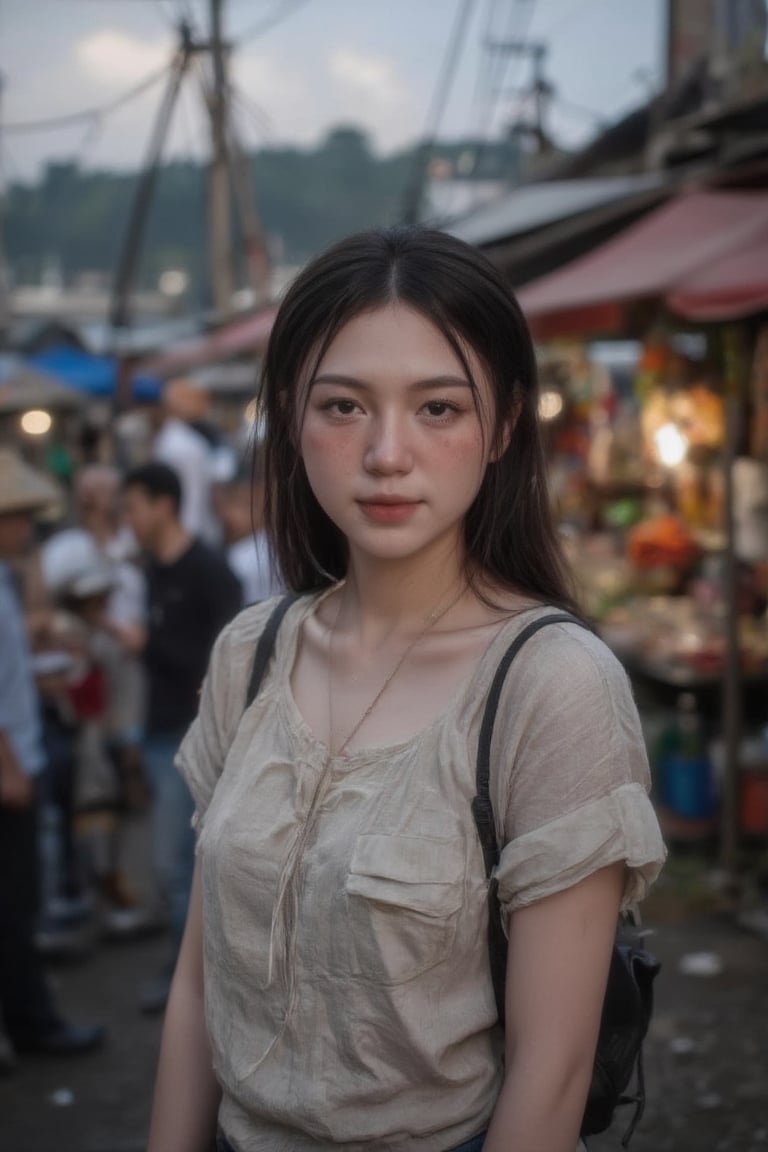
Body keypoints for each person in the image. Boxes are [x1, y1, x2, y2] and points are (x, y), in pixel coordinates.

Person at [148, 228, 666, 1152]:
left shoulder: (550, 686)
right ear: (287, 417)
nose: (387, 453)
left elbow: (550, 1082)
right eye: (344, 406)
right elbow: (199, 984)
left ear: (504, 424)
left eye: (438, 408)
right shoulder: (249, 655)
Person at [122, 462, 242, 1013]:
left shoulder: (210, 570)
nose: (130, 518)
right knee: (173, 863)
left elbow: (219, 665)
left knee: (182, 864)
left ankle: (187, 984)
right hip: (157, 727)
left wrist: (139, 641)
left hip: (191, 734)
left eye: (134, 506)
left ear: (163, 505)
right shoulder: (149, 569)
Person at [0, 449, 106, 1072]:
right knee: (14, 905)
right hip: (12, 765)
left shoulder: (10, 577)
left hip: (21, 751)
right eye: (18, 516)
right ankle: (33, 1022)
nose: (27, 527)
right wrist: (9, 763)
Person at [213, 445, 283, 605]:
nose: (232, 515)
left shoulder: (246, 557)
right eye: (233, 503)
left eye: (245, 505)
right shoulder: (234, 556)